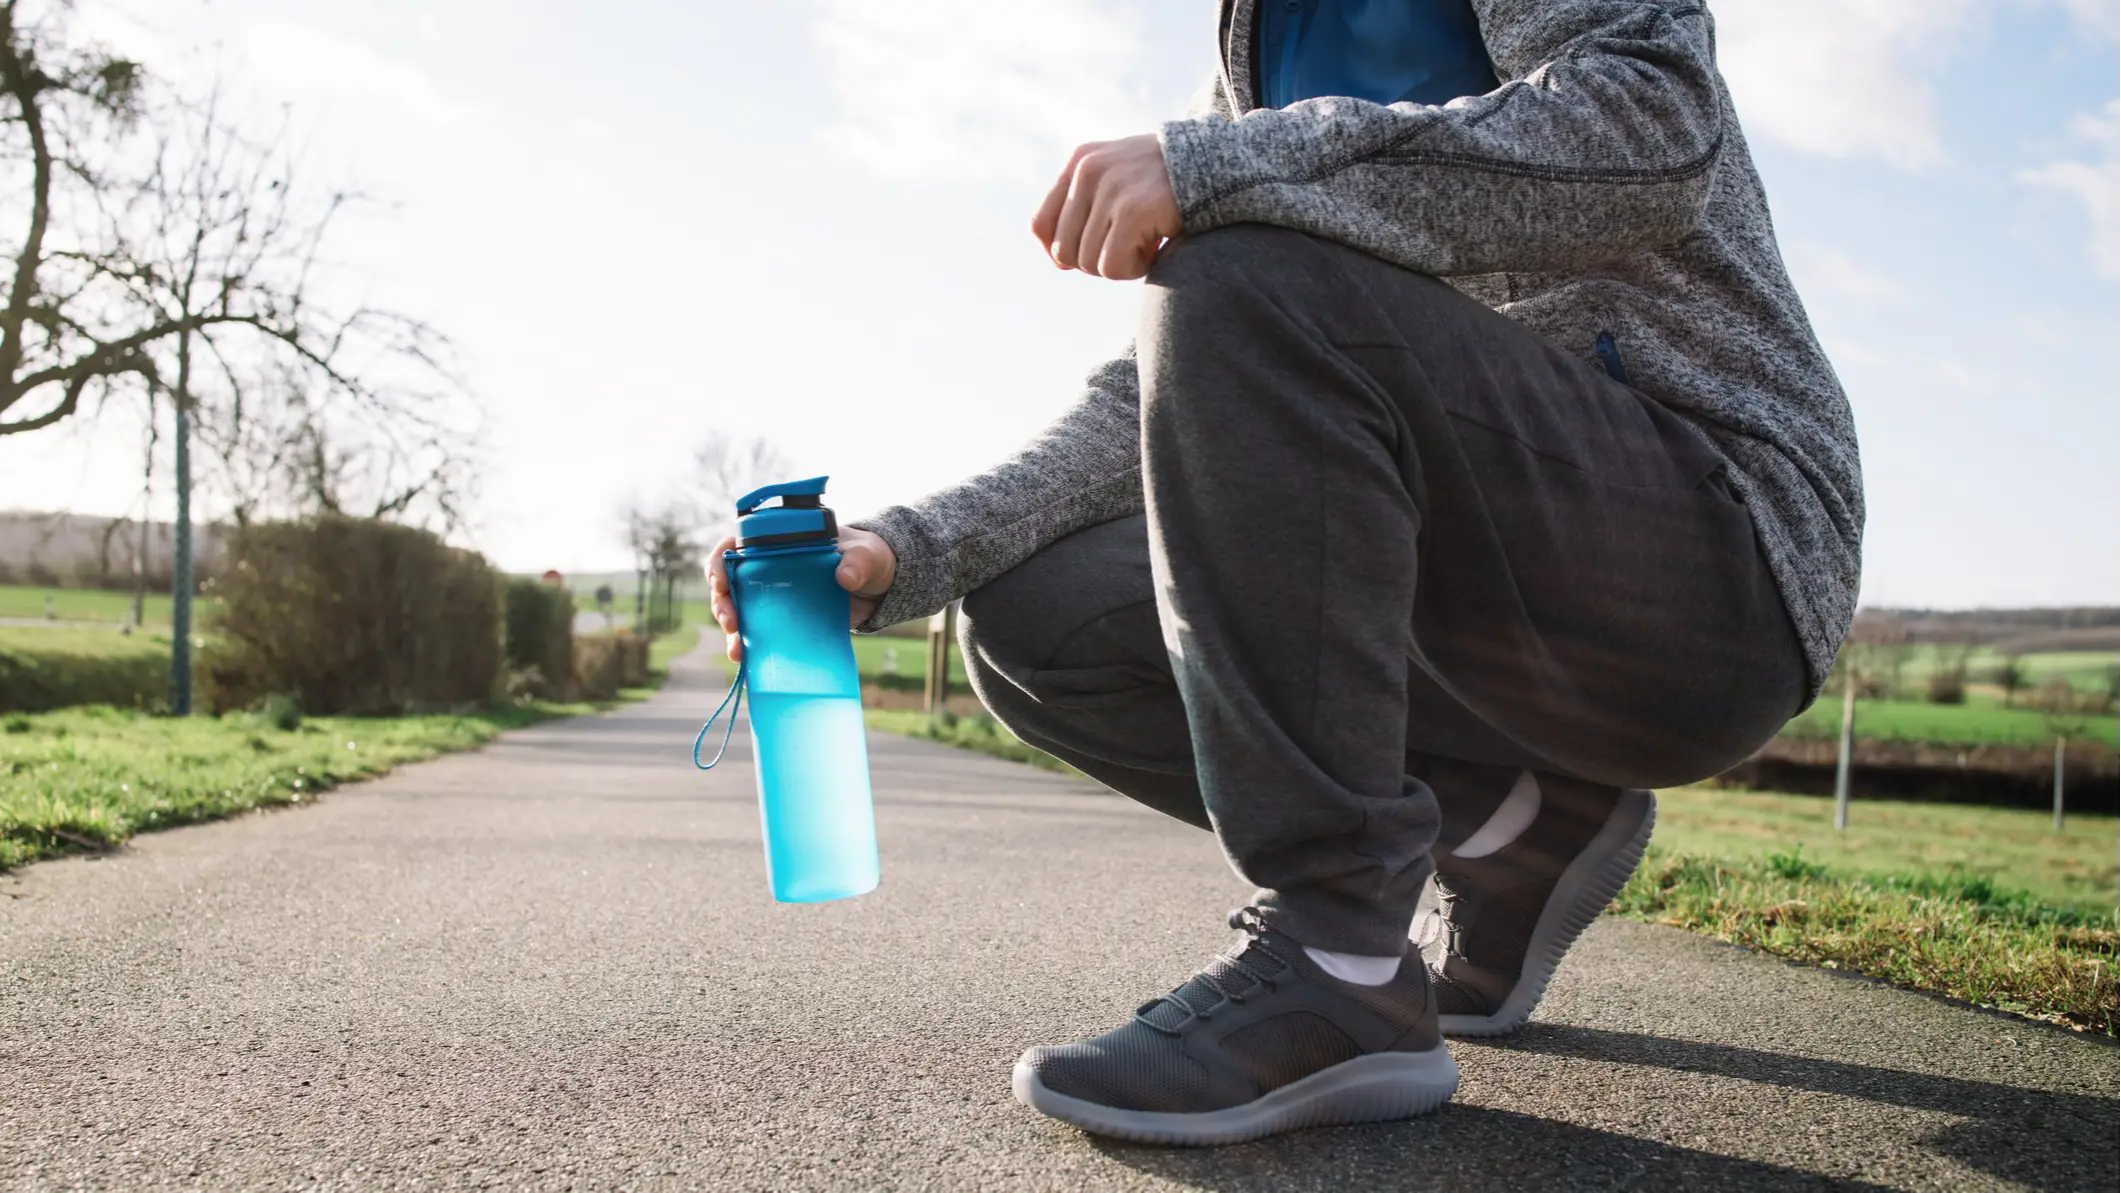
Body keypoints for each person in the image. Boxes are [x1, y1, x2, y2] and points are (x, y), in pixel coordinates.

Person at [710, 0, 1859, 1146]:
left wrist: (1216, 173)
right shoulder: (1256, 45)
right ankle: (1515, 826)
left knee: (1237, 272)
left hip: (1715, 560)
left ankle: (1341, 959)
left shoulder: (1257, 149)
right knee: (1036, 617)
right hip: (1494, 605)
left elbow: (1657, 127)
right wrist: (906, 549)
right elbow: (1165, 389)